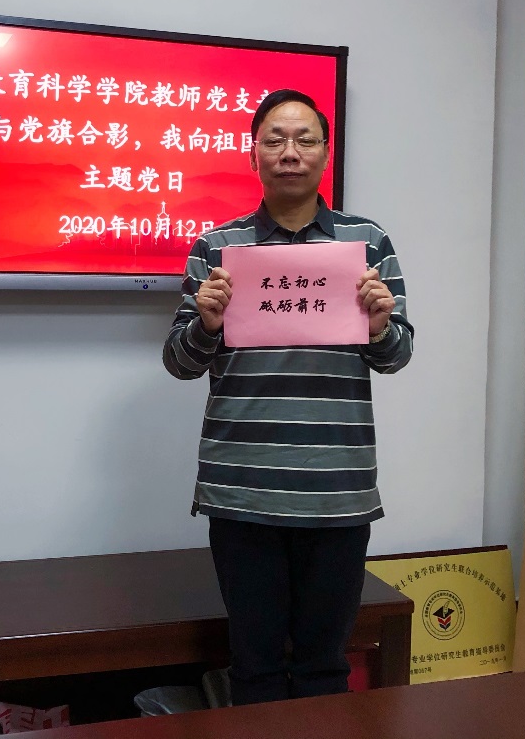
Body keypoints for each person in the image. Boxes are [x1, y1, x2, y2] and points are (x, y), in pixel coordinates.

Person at [162, 89, 414, 706]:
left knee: (325, 667)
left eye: (305, 139)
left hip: (336, 488)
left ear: (326, 153)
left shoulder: (367, 242)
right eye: (274, 140)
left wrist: (380, 325)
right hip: (242, 488)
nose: (290, 152)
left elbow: (397, 355)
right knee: (255, 668)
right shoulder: (218, 247)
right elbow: (180, 363)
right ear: (253, 154)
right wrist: (206, 325)